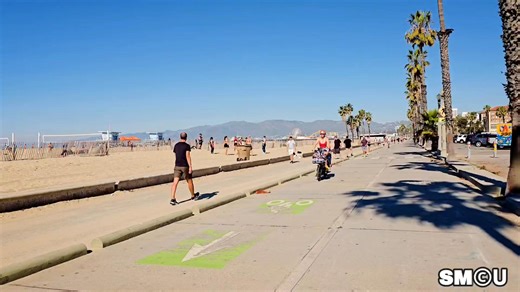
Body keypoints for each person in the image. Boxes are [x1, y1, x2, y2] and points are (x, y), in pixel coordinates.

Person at [170, 132, 199, 205]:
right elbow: (188, 156)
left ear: (180, 137)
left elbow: (176, 154)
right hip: (185, 166)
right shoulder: (187, 146)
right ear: (186, 137)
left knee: (175, 182)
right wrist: (190, 166)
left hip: (177, 165)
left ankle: (172, 198)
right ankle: (193, 195)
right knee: (189, 180)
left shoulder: (176, 145)